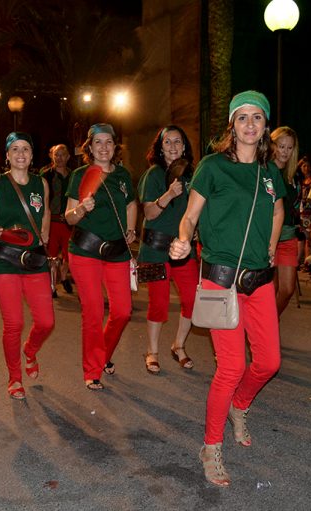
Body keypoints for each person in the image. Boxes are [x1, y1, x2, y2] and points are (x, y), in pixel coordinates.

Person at [170, 90, 284, 487]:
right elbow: (190, 216)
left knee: (269, 362)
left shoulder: (271, 172)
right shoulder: (213, 166)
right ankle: (211, 445)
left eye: (257, 117)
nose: (250, 124)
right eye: (242, 118)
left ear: (265, 126)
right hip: (219, 279)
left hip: (259, 282)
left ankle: (241, 405)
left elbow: (279, 209)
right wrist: (184, 239)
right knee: (232, 366)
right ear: (232, 126)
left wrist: (271, 245)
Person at [0, 132, 54, 400]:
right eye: (15, 149)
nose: (20, 153)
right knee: (14, 322)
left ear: (32, 155)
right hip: (5, 261)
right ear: (7, 156)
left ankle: (30, 351)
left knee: (46, 322)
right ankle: (14, 377)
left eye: (25, 149)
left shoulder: (41, 183)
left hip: (35, 260)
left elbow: (44, 211)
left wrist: (44, 232)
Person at [65, 123, 136, 391]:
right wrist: (83, 208)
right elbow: (70, 217)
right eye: (98, 143)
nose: (104, 147)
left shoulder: (123, 175)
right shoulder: (80, 175)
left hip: (116, 251)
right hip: (85, 251)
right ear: (90, 147)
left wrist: (131, 229)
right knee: (93, 313)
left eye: (109, 142)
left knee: (122, 312)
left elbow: (131, 204)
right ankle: (92, 370)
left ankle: (102, 354)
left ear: (115, 146)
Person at [137, 125, 198, 374]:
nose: (173, 147)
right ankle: (152, 352)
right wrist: (169, 194)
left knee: (193, 302)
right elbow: (149, 213)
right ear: (160, 148)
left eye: (177, 142)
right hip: (154, 249)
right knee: (158, 304)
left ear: (184, 146)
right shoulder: (153, 175)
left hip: (184, 250)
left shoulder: (192, 176)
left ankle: (179, 346)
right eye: (167, 143)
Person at [270, 127, 300, 315]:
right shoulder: (265, 171)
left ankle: (270, 321)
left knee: (287, 289)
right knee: (267, 289)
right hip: (267, 236)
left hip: (288, 236)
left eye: (289, 148)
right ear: (272, 146)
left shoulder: (292, 176)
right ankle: (265, 329)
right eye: (281, 146)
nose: (284, 152)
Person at [40, 144, 73, 296]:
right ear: (52, 157)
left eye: (62, 155)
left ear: (68, 157)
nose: (59, 158)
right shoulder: (46, 175)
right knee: (52, 255)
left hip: (69, 223)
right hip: (52, 221)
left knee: (69, 255)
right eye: (56, 155)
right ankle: (52, 285)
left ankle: (64, 276)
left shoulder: (74, 175)